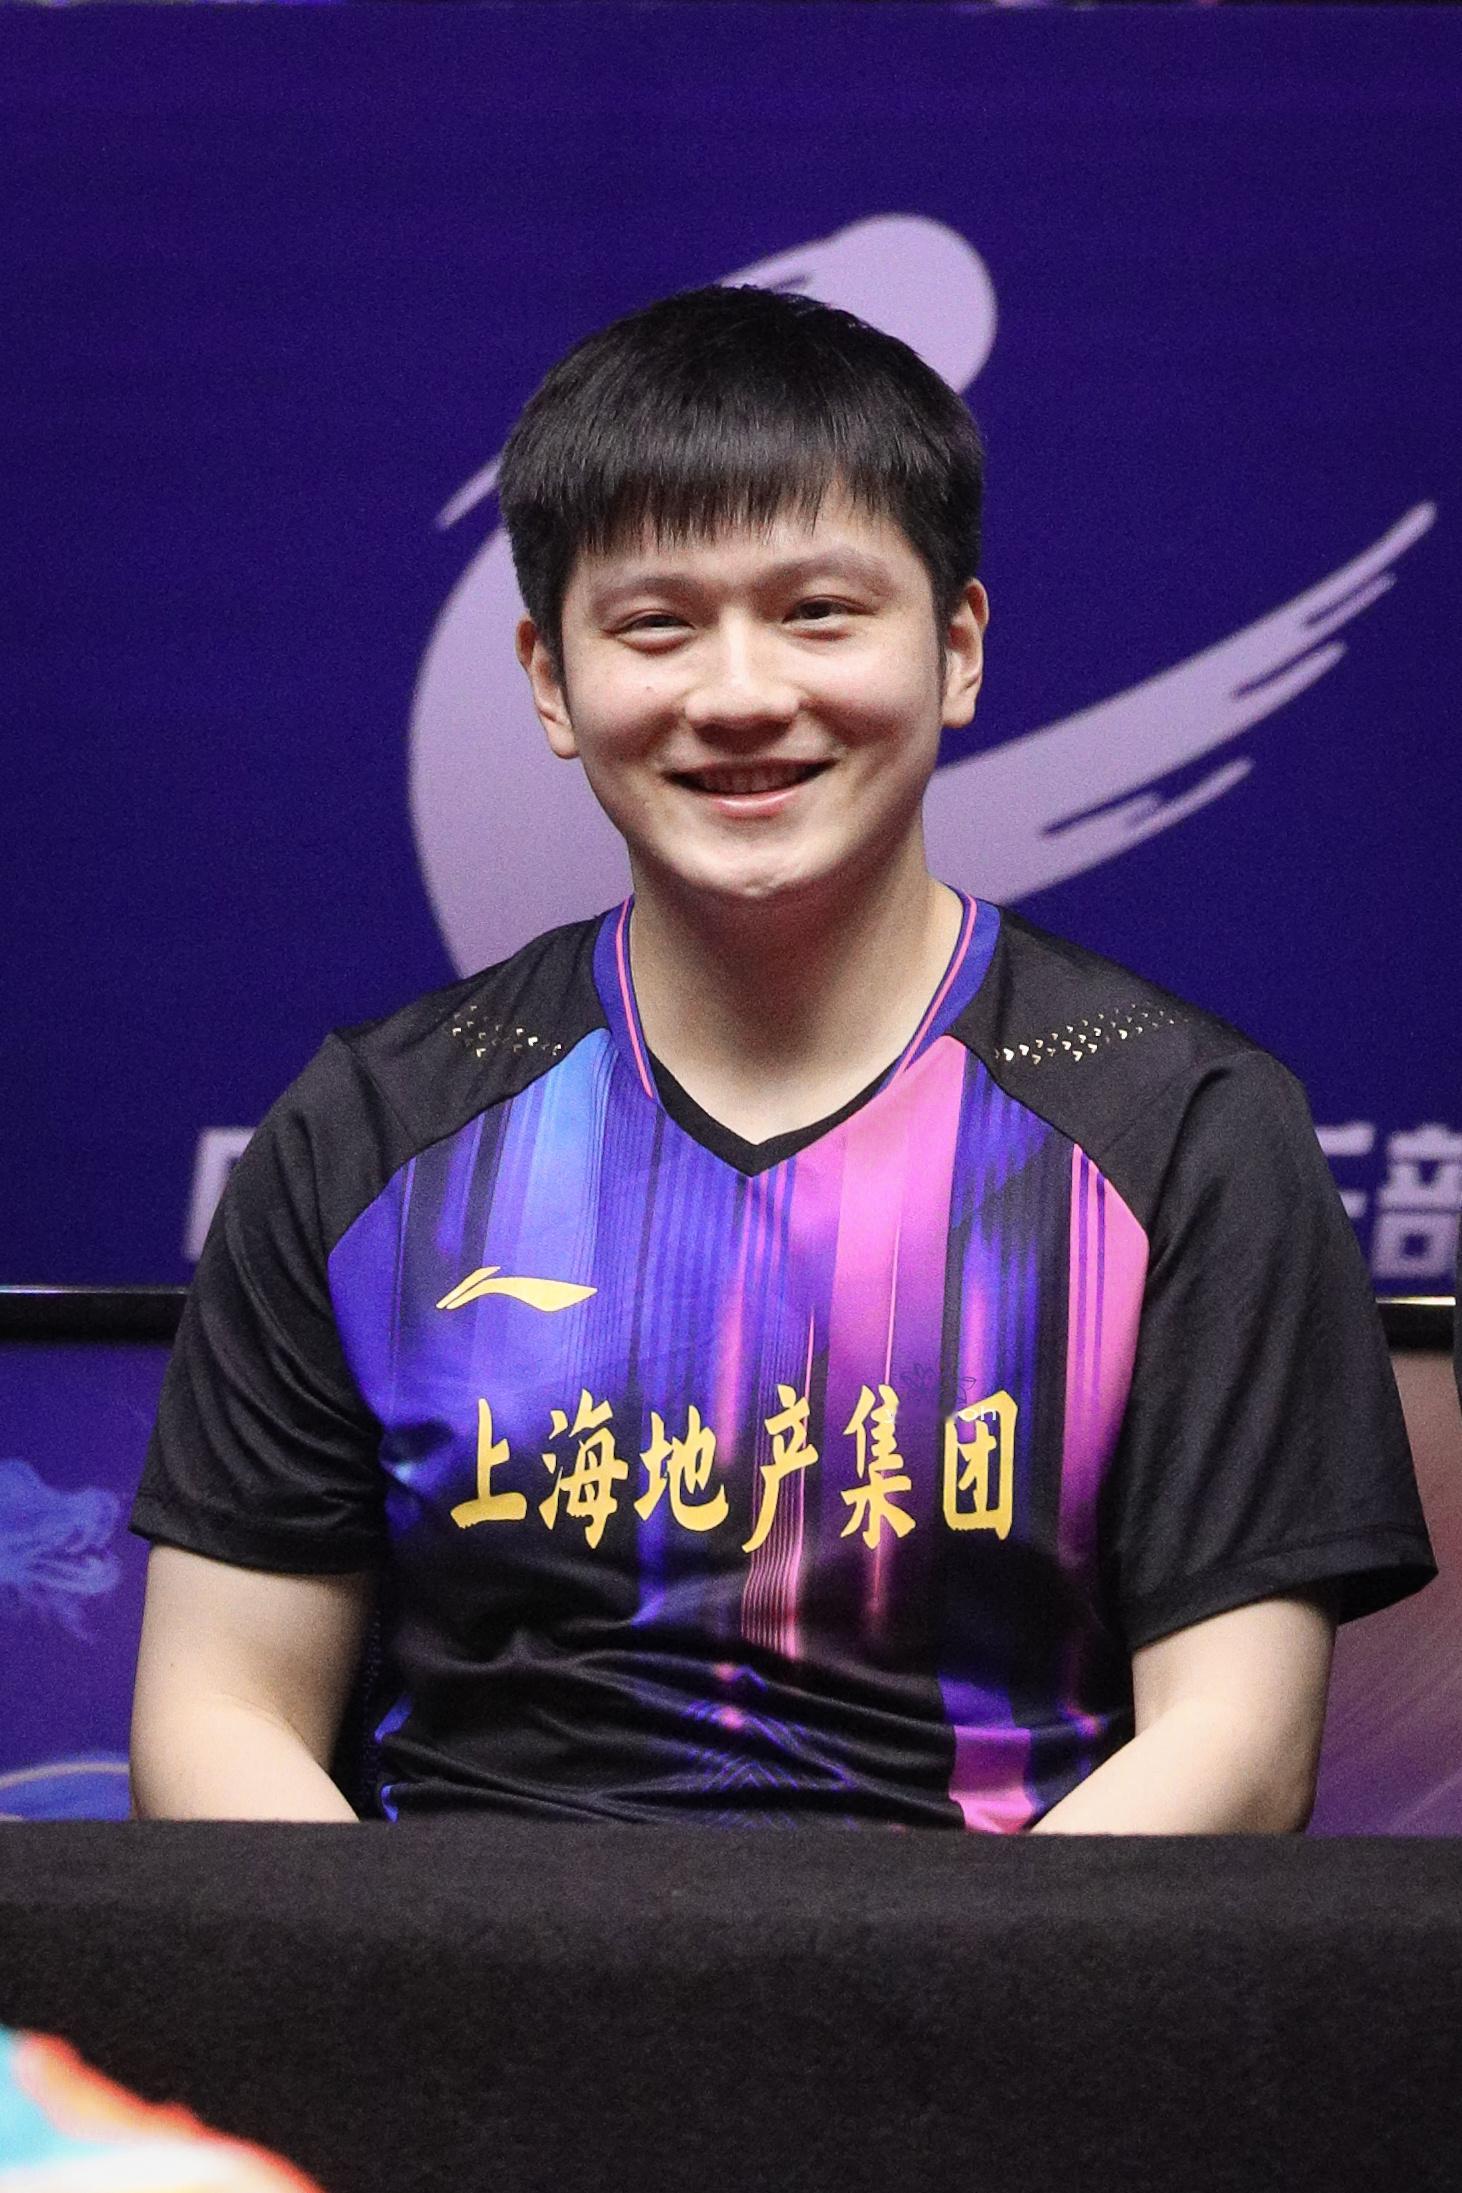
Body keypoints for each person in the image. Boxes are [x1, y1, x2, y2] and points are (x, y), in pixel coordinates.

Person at [129, 285, 1434, 1832]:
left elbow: (1235, 1746)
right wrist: (414, 1983)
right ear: (549, 681)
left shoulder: (1184, 1131)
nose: (740, 695)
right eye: (656, 625)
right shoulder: (370, 1129)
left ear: (956, 650)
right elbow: (217, 1711)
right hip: (452, 1961)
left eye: (818, 612)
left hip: (1012, 1965)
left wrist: (942, 1988)